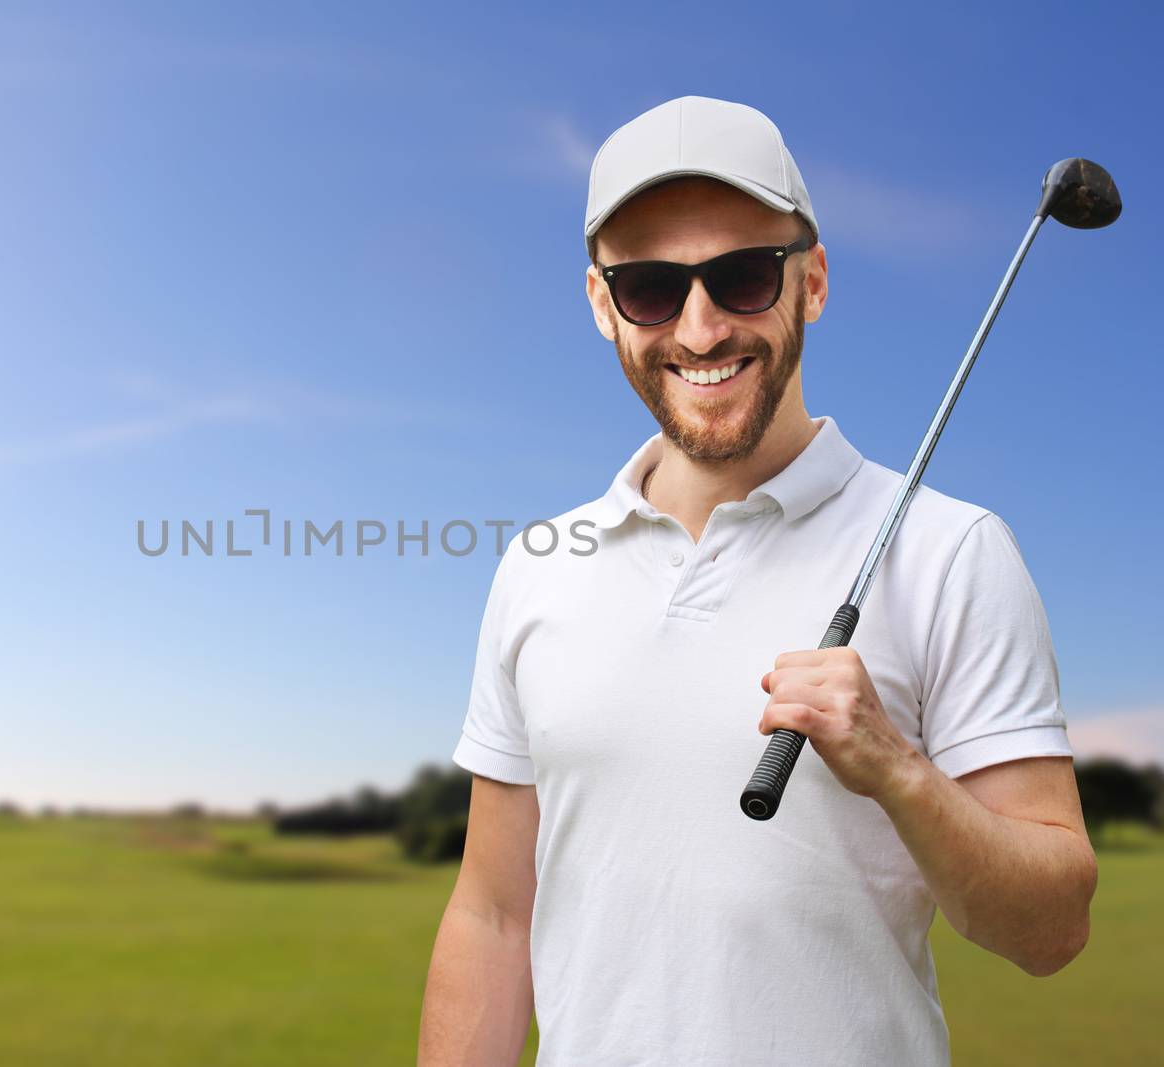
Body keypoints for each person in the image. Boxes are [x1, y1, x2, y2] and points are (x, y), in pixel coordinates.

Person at [417, 95, 1097, 1067]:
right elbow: (491, 914)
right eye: (650, 287)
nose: (697, 330)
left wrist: (900, 772)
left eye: (740, 277)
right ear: (601, 304)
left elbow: (1051, 928)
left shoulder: (954, 549)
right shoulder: (537, 566)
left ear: (810, 282)